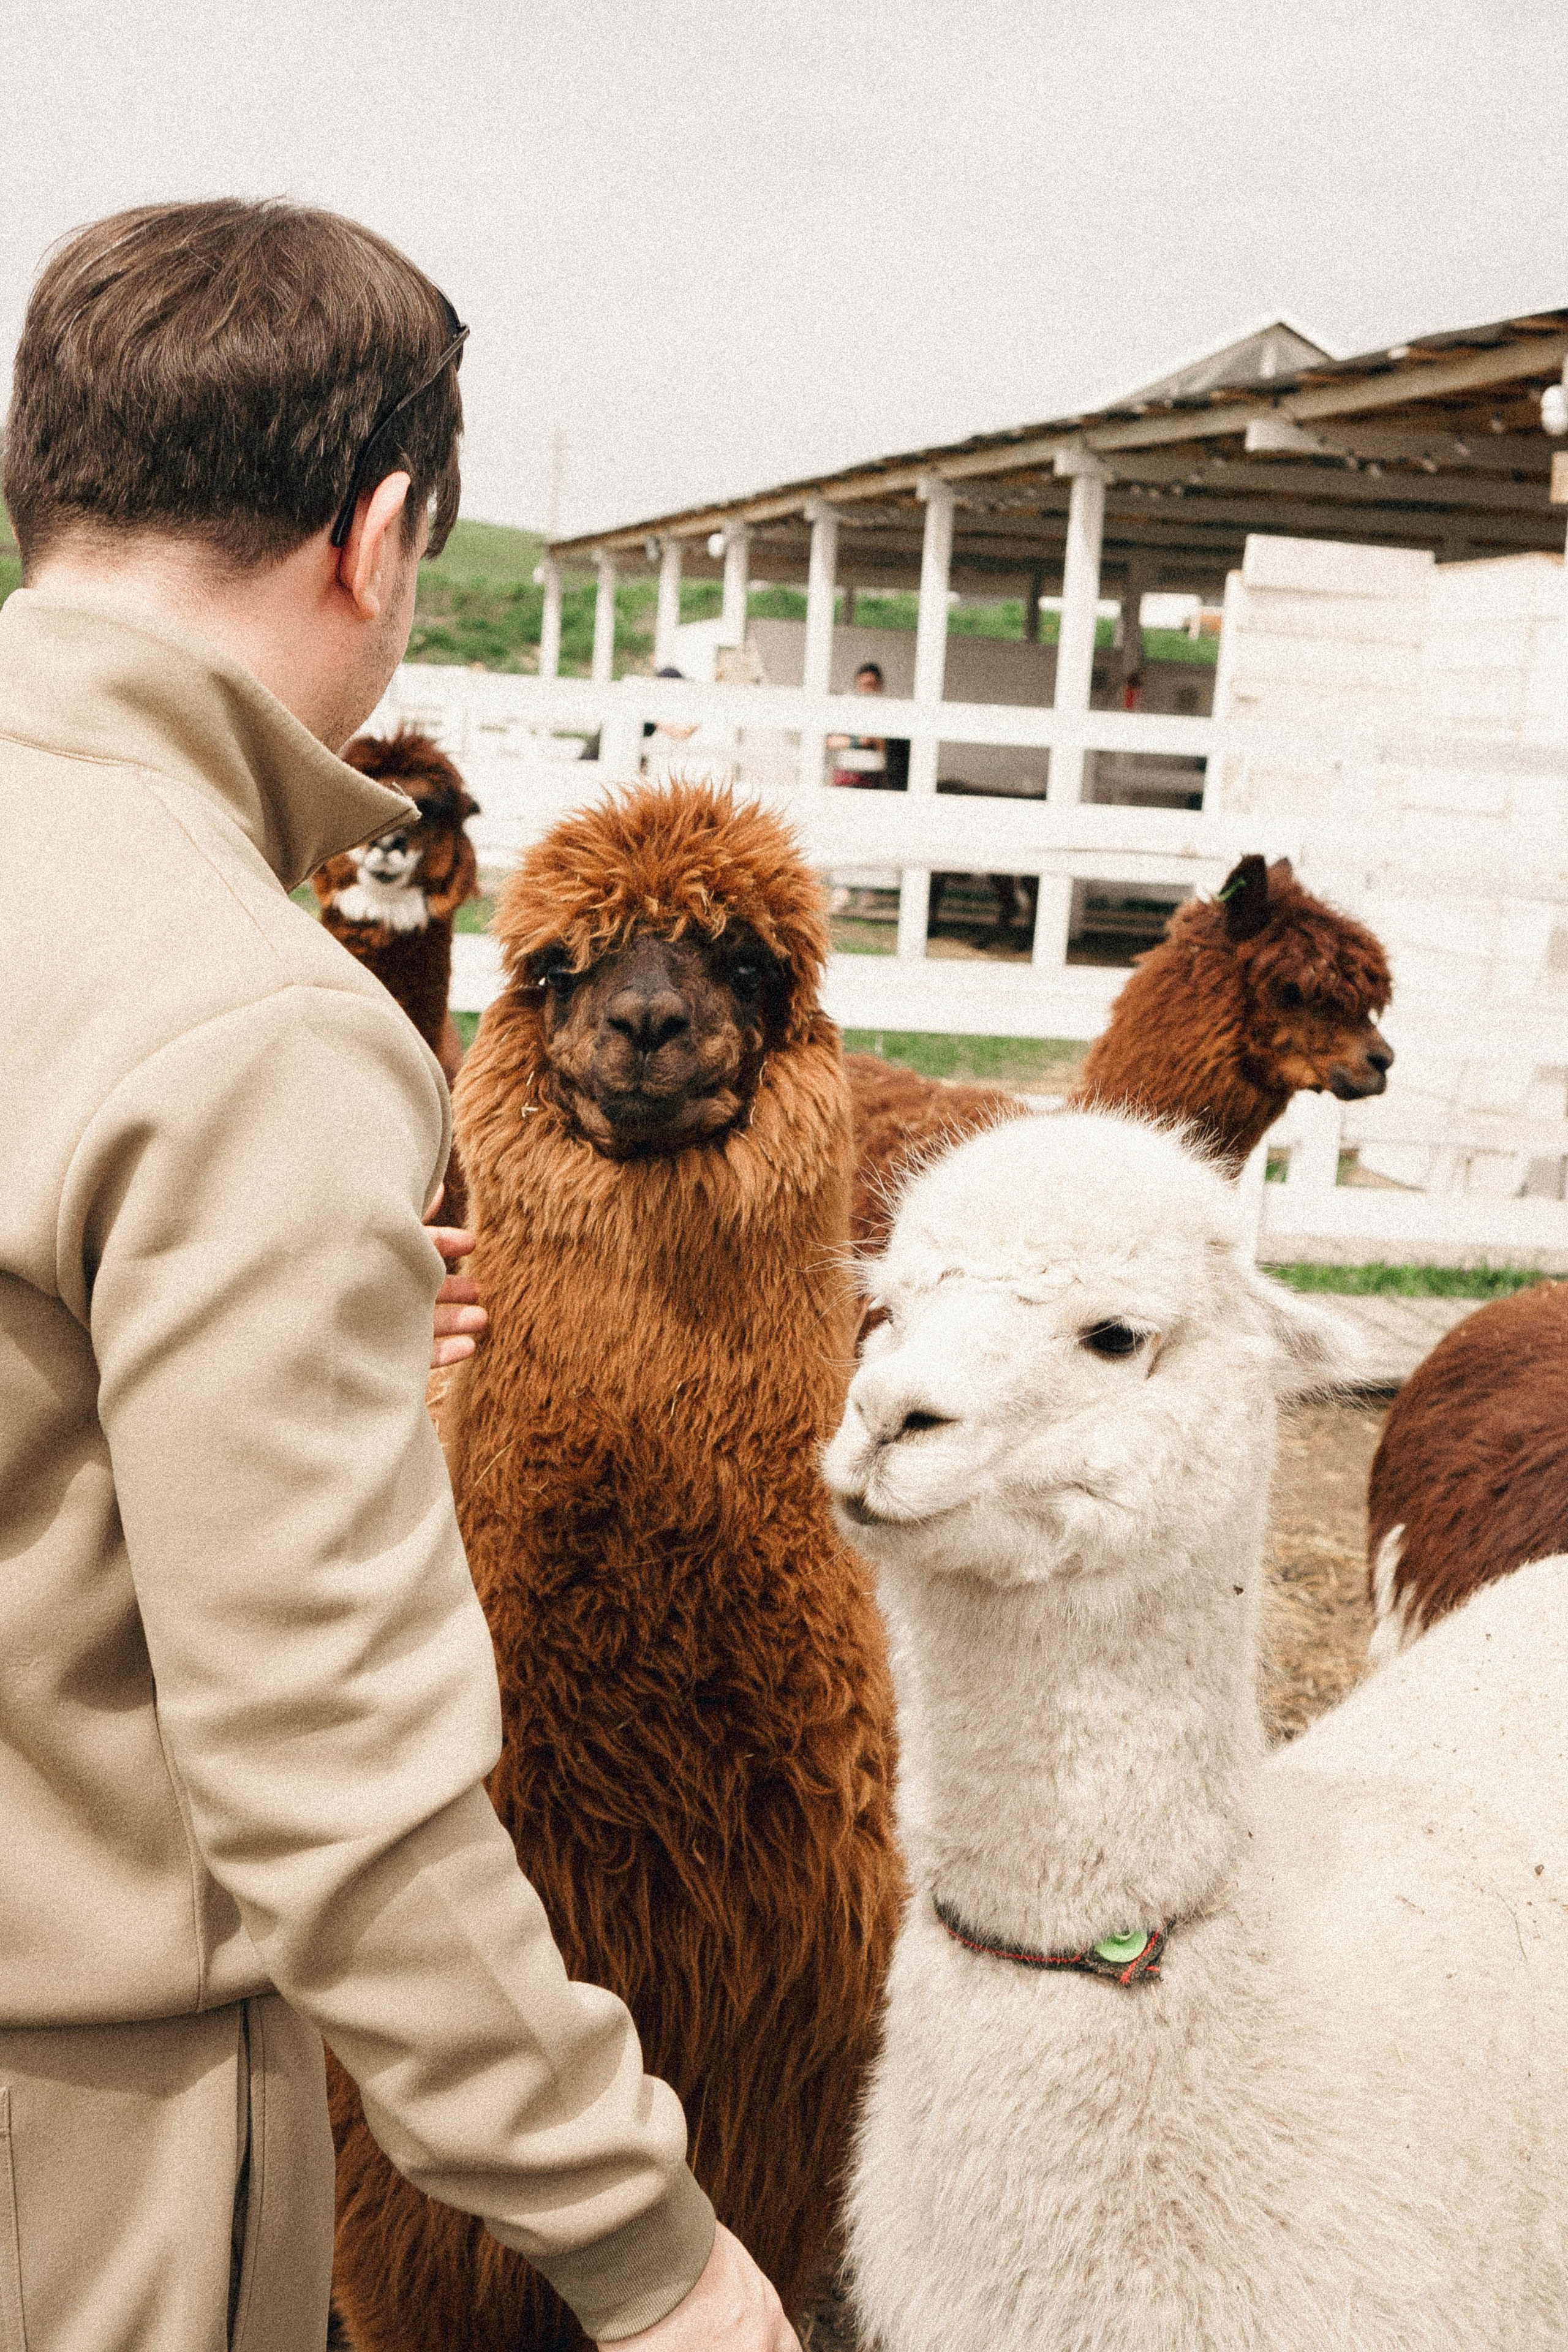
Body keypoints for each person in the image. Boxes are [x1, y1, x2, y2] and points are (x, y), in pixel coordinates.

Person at [0, 199, 796, 2352]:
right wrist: (654, 2253)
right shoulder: (238, 1018)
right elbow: (320, 1774)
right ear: (371, 535)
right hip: (76, 2142)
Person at [826, 658, 909, 793]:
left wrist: (878, 741)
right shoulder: (847, 711)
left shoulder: (888, 713)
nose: (867, 690)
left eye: (871, 684)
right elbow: (829, 741)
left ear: (880, 685)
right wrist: (859, 741)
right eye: (863, 685)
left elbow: (891, 750)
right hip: (847, 776)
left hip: (874, 778)